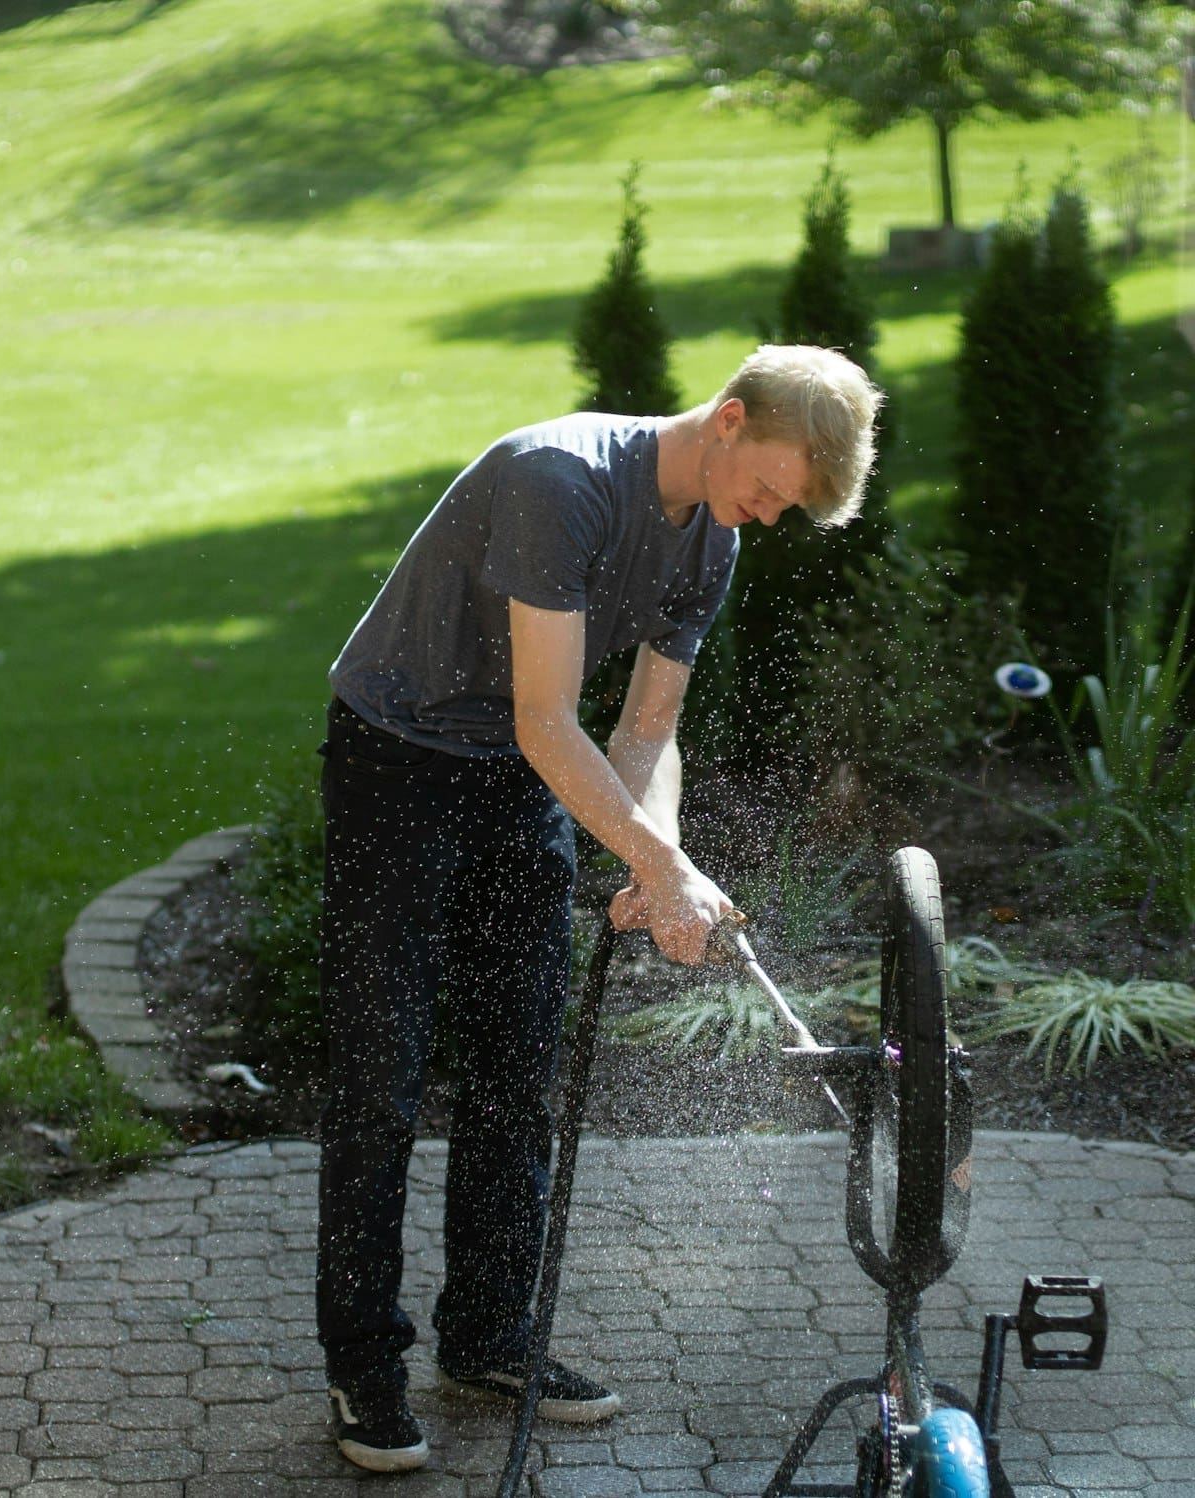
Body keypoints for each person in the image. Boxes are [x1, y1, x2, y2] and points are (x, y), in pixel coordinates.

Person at [315, 343, 883, 1472]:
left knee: (519, 1063)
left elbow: (643, 734)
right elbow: (546, 718)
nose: (766, 518)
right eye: (771, 488)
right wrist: (655, 864)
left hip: (524, 775)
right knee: (382, 1071)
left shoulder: (708, 540)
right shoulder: (558, 481)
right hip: (400, 759)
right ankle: (362, 1362)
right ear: (728, 418)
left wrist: (651, 854)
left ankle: (486, 1335)